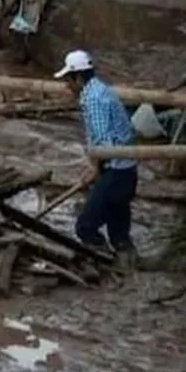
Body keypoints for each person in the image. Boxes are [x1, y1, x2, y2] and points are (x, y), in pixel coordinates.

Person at [54, 50, 138, 269]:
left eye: (68, 81)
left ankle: (107, 265)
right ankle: (131, 270)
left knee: (85, 227)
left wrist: (97, 170)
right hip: (126, 170)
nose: (67, 86)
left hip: (116, 171)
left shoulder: (94, 99)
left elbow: (103, 142)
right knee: (119, 235)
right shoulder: (101, 90)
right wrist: (95, 168)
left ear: (79, 79)